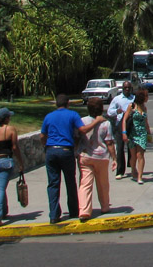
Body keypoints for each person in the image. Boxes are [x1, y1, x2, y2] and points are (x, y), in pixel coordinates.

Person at [40, 94, 104, 224]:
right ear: (68, 103)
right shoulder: (72, 115)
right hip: (65, 150)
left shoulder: (49, 116)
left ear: (56, 104)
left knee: (53, 183)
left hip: (51, 150)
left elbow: (42, 136)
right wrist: (97, 121)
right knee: (70, 181)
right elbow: (83, 130)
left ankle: (54, 215)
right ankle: (73, 211)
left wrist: (46, 147)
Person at [77, 98, 117, 221]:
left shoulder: (82, 121)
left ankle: (84, 211)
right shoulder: (106, 123)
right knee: (103, 184)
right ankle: (105, 206)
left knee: (85, 184)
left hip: (86, 156)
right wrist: (114, 158)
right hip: (102, 157)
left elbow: (77, 138)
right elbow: (109, 143)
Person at [122, 88, 152, 184]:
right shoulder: (132, 106)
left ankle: (140, 176)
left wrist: (149, 133)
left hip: (142, 133)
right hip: (132, 133)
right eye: (146, 96)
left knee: (140, 155)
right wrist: (124, 133)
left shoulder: (144, 108)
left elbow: (146, 122)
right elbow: (124, 120)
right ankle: (133, 171)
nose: (147, 98)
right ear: (142, 97)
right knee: (133, 156)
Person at [107, 82, 135, 179]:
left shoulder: (133, 98)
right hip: (120, 123)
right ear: (122, 88)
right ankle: (120, 171)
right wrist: (117, 111)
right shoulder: (117, 99)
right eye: (125, 87)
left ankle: (132, 167)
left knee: (132, 147)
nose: (127, 89)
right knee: (120, 148)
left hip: (131, 124)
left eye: (129, 87)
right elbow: (109, 111)